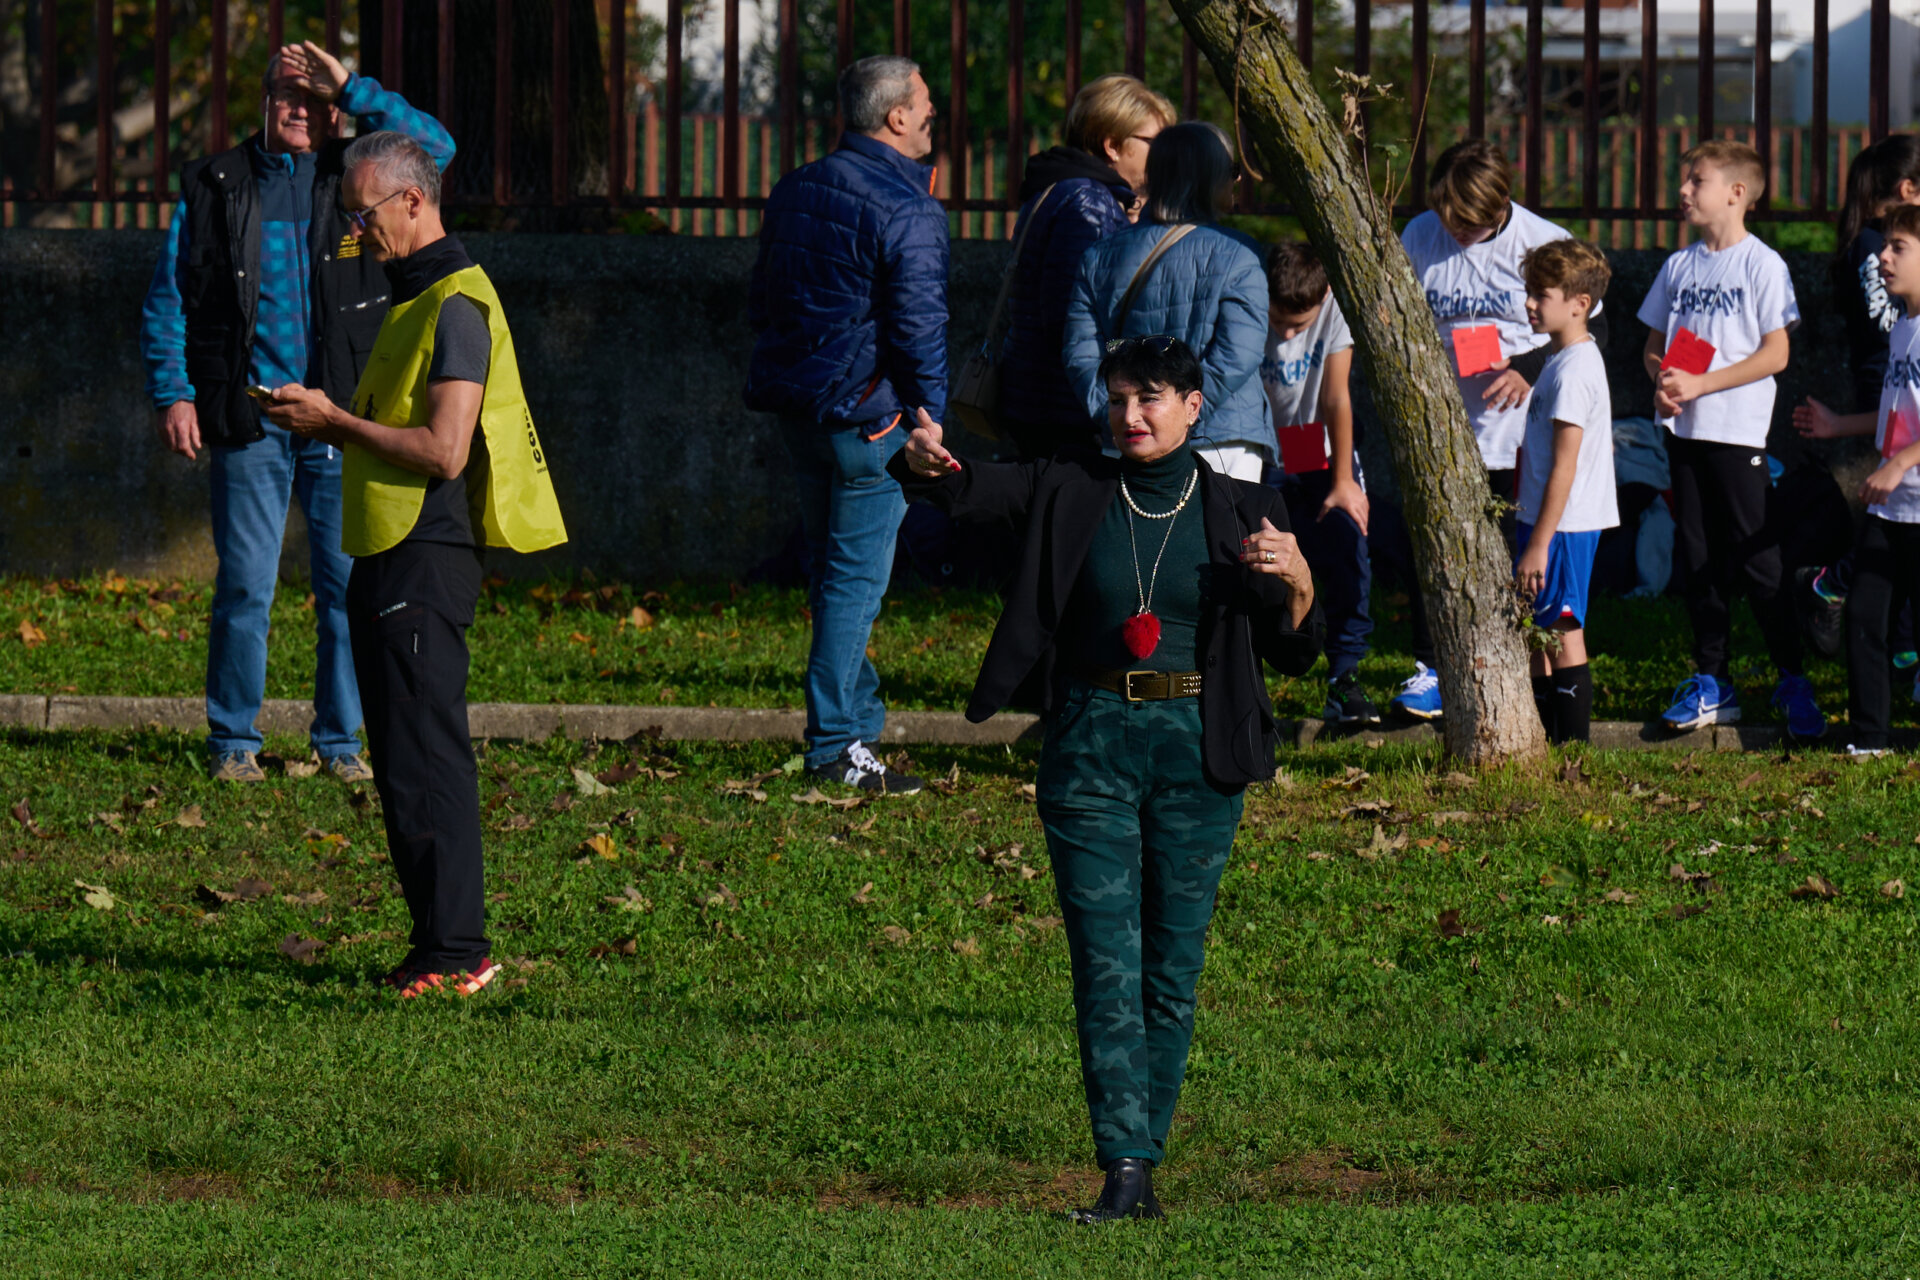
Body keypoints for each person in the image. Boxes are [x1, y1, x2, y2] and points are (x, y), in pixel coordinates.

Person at [890, 337, 1323, 1223]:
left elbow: (1293, 646)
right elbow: (973, 488)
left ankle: (1145, 1162)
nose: (1131, 415)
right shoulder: (1070, 485)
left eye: (1152, 398)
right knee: (1105, 960)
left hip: (1199, 748)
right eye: (1119, 396)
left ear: (1195, 406)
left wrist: (1303, 588)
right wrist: (929, 466)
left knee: (1172, 964)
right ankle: (1125, 1164)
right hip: (1090, 740)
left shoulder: (1246, 507)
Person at [264, 132, 568, 997]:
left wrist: (333, 424)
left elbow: (443, 450)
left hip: (426, 553)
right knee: (400, 754)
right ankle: (434, 942)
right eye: (348, 214)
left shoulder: (457, 305)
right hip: (388, 550)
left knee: (428, 752)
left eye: (366, 213)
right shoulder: (413, 300)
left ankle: (460, 949)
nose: (355, 230)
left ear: (413, 201)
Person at [140, 41, 455, 784]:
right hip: (253, 419)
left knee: (348, 590)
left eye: (314, 96)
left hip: (342, 421)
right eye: (286, 92)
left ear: (334, 107)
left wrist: (353, 84)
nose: (299, 107)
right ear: (262, 101)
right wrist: (174, 392)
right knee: (246, 585)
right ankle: (233, 743)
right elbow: (168, 299)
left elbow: (435, 149)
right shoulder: (217, 185)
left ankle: (341, 744)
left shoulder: (358, 180)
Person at [744, 55, 947, 795]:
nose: (933, 113)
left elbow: (764, 297)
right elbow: (921, 326)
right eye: (924, 103)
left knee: (834, 577)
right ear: (895, 116)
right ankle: (835, 747)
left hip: (803, 412)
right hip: (870, 420)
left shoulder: (797, 186)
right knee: (853, 585)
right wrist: (930, 419)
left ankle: (857, 723)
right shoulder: (909, 207)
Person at [1389, 140, 1604, 722]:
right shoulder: (1419, 236)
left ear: (1500, 204)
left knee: (1517, 566)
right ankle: (1431, 667)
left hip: (1513, 436)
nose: (1455, 230)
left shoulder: (1540, 240)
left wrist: (1525, 370)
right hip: (1444, 429)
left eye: (1469, 220)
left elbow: (1584, 323)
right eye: (1447, 216)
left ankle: (1511, 667)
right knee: (1433, 550)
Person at [1638, 140, 1822, 738]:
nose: (1684, 190)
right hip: (1684, 434)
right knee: (1698, 557)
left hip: (1735, 435)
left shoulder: (1762, 265)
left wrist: (1702, 383)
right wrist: (1664, 381)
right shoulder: (1678, 266)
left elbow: (1777, 351)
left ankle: (1792, 676)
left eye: (1696, 180)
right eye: (1684, 179)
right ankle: (1713, 681)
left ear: (1736, 193)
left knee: (1758, 559)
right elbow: (1653, 347)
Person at [1063, 123, 1271, 482]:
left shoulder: (1100, 256)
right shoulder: (1239, 253)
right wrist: (1181, 415)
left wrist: (1114, 412)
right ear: (1210, 177)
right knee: (1223, 537)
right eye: (1232, 171)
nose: (1237, 181)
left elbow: (1084, 351)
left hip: (1130, 438)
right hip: (1221, 439)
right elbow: (1239, 354)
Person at [1789, 205, 1920, 755]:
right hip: (1890, 505)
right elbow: (1896, 410)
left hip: (1908, 497)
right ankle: (1870, 739)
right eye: (1884, 245)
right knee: (1865, 615)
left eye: (1898, 248)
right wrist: (1839, 425)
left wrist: (1900, 462)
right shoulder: (1902, 330)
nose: (1882, 257)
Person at [998, 74, 1175, 459]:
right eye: (1154, 143)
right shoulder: (1089, 203)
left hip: (1037, 396)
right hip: (1063, 407)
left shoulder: (1062, 188)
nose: (1165, 155)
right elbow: (1075, 317)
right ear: (1112, 145)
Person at [1260, 240, 1378, 725]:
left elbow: (1336, 397)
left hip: (1315, 448)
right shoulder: (1251, 295)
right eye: (1279, 321)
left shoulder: (1334, 313)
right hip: (1262, 447)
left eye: (1298, 325)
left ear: (1323, 298)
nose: (1286, 333)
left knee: (1349, 550)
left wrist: (1344, 479)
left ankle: (1344, 676)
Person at [1514, 239, 1618, 744]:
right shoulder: (1558, 360)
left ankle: (1571, 751)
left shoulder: (1576, 371)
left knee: (1563, 630)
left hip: (1563, 526)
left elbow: (1565, 464)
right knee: (1540, 629)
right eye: (1529, 292)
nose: (1530, 303)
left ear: (1579, 303)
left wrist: (1539, 540)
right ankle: (1545, 738)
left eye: (1542, 294)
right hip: (1542, 521)